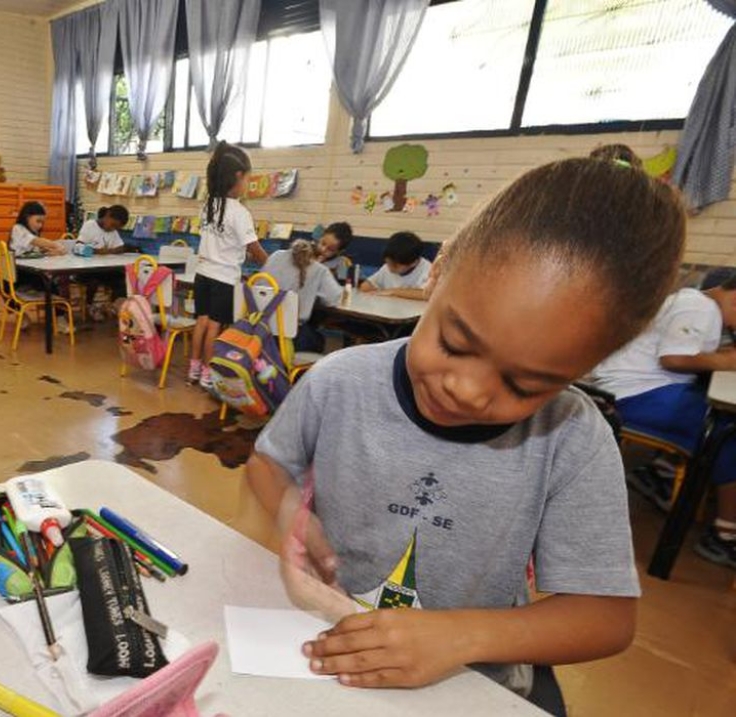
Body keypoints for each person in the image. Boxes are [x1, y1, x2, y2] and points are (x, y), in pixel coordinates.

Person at [246, 158, 685, 713]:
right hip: (329, 656)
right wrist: (292, 515)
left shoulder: (572, 438)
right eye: (455, 343)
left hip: (472, 688)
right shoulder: (339, 381)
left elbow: (606, 618)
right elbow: (267, 464)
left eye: (525, 384)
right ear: (441, 268)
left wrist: (461, 637)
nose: (469, 391)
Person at [591, 271, 736, 568]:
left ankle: (660, 474)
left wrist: (720, 355)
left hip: (634, 390)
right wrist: (727, 361)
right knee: (725, 432)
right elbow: (674, 359)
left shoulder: (698, 303)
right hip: (633, 396)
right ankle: (725, 535)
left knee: (709, 413)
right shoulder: (701, 308)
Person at [188, 142, 268, 389]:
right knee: (215, 326)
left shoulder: (208, 205)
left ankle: (194, 369)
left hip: (202, 274)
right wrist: (272, 264)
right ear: (238, 176)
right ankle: (209, 373)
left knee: (201, 322)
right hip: (224, 279)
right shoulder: (239, 212)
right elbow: (255, 250)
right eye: (248, 179)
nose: (248, 184)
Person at [262, 240, 343, 353]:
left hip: (261, 329)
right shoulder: (319, 270)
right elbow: (333, 299)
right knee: (319, 340)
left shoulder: (276, 256)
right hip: (291, 338)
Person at [360, 231, 431, 300]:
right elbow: (366, 286)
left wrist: (393, 292)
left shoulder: (428, 270)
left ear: (414, 263)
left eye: (395, 266)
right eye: (388, 263)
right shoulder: (387, 267)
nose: (390, 269)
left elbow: (427, 294)